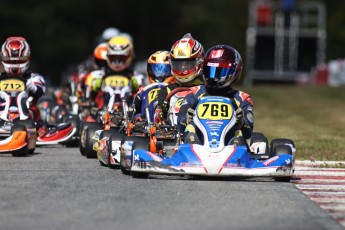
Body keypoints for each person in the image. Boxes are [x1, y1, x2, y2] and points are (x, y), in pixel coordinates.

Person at [178, 45, 254, 145]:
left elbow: (248, 133)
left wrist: (241, 123)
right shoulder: (194, 93)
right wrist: (186, 119)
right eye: (211, 70)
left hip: (229, 146)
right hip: (197, 144)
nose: (214, 76)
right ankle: (192, 149)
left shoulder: (242, 98)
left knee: (238, 134)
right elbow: (180, 125)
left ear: (235, 71)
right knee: (190, 129)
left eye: (220, 71)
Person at [156, 33, 206, 120]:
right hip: (171, 131)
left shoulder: (207, 90)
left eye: (187, 63)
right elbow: (158, 116)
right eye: (178, 64)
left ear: (200, 63)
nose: (182, 68)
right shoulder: (166, 91)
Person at [0, 36, 46, 123]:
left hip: (27, 117)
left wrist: (32, 87)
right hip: (2, 114)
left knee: (36, 110)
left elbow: (41, 92)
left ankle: (31, 128)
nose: (14, 65)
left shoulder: (33, 77)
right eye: (10, 61)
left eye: (18, 61)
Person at [131, 50, 175, 121]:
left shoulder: (177, 91)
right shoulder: (143, 91)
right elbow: (133, 111)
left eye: (164, 70)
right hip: (146, 126)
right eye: (155, 69)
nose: (159, 75)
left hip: (171, 123)